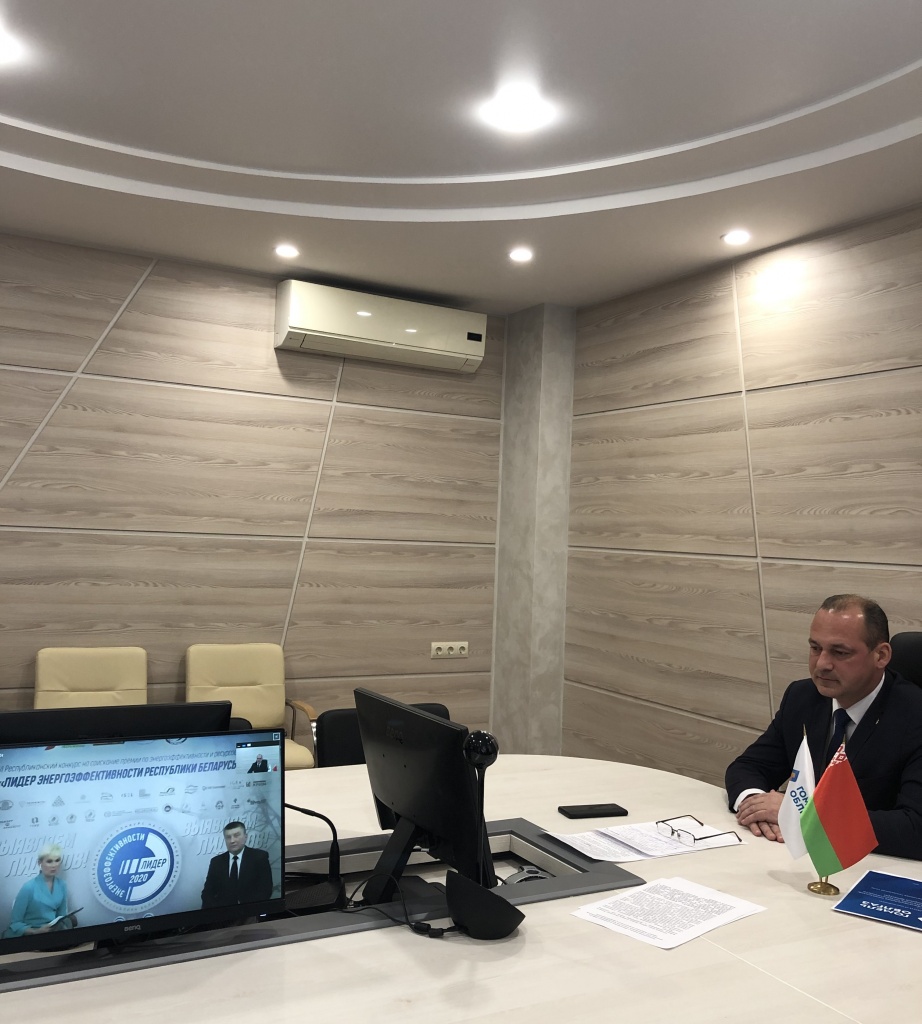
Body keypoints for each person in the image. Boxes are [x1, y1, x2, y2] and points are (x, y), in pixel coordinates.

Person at [726, 594, 922, 860]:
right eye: (815, 648)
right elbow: (748, 767)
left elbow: (914, 828)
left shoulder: (914, 717)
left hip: (873, 867)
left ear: (881, 655)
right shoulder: (802, 697)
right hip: (795, 860)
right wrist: (755, 807)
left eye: (840, 652)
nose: (822, 664)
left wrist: (802, 815)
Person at [3, 844, 76, 938]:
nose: (54, 865)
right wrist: (36, 932)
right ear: (39, 863)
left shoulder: (62, 885)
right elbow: (15, 923)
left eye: (57, 860)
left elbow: (61, 916)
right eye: (49, 861)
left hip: (52, 932)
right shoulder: (28, 887)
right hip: (31, 934)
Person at [201, 821, 273, 909]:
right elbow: (207, 893)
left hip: (252, 911)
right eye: (228, 837)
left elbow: (266, 890)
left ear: (245, 837)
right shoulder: (216, 862)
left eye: (236, 835)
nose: (232, 841)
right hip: (223, 913)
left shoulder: (259, 857)